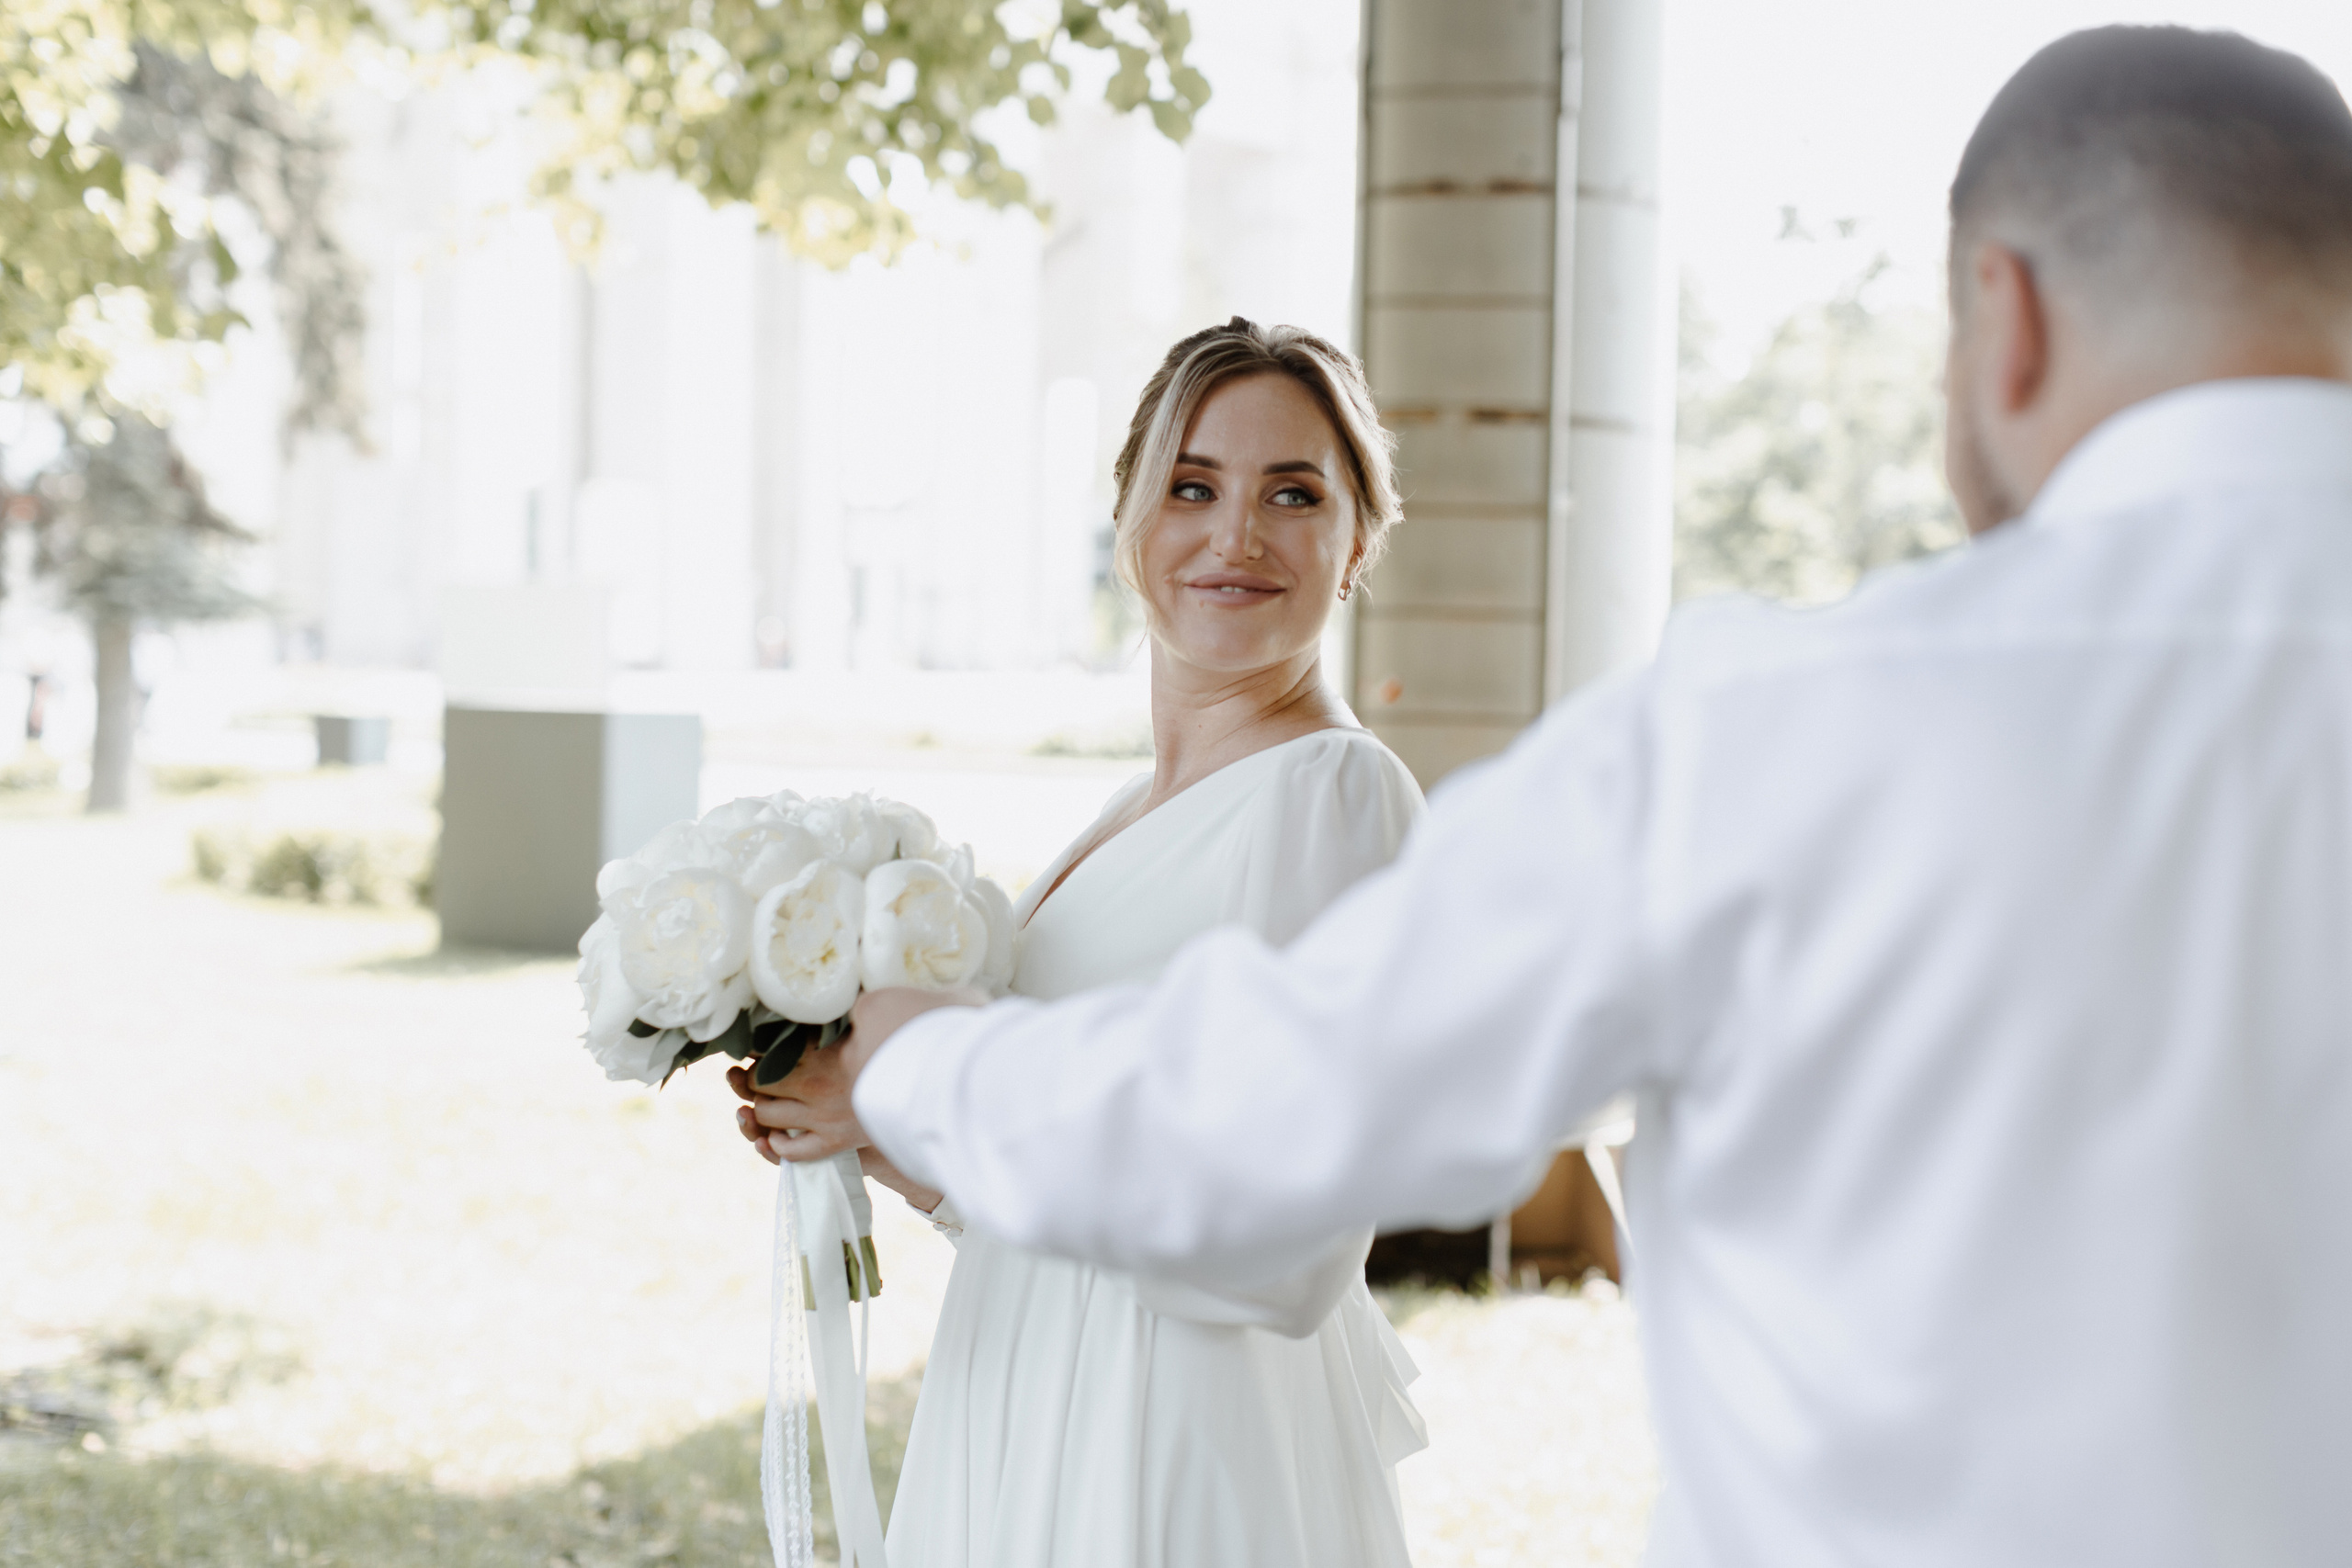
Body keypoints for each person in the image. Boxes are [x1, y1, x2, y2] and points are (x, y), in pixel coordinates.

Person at [753, 27, 2352, 1566]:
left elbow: (1270, 1129)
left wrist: (928, 1067)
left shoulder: (1782, 727)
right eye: (1189, 483)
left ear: (2002, 319)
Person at [738, 319, 1430, 1567]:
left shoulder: (1333, 797)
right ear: (1128, 526)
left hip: (1175, 1439)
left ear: (1359, 538)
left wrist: (940, 1077)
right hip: (1031, 1377)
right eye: (1192, 486)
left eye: (1294, 492)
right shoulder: (1129, 810)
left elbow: (1281, 1240)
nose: (1237, 535)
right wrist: (884, 1126)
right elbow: (1074, 1183)